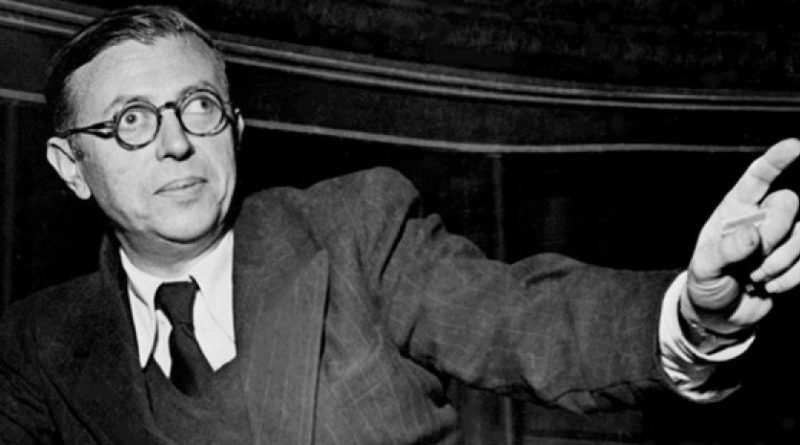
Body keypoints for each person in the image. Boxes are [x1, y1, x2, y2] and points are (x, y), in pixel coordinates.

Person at [1, 5, 799, 444]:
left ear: (234, 130)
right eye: (132, 120)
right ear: (71, 165)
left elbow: (522, 316)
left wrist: (690, 317)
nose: (176, 141)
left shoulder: (352, 230)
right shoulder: (35, 346)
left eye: (198, 106)